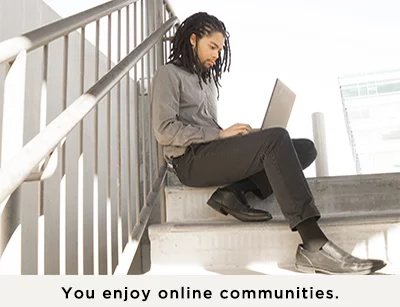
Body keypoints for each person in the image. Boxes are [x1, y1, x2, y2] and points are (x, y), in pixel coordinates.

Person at [151, 12, 386, 274]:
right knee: (276, 140)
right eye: (212, 47)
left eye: (220, 49)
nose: (217, 55)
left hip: (211, 151)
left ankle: (234, 192)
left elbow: (204, 126)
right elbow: (165, 130)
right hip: (190, 161)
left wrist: (240, 135)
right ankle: (314, 244)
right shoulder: (168, 74)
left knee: (305, 148)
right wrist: (219, 135)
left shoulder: (206, 81)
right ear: (193, 40)